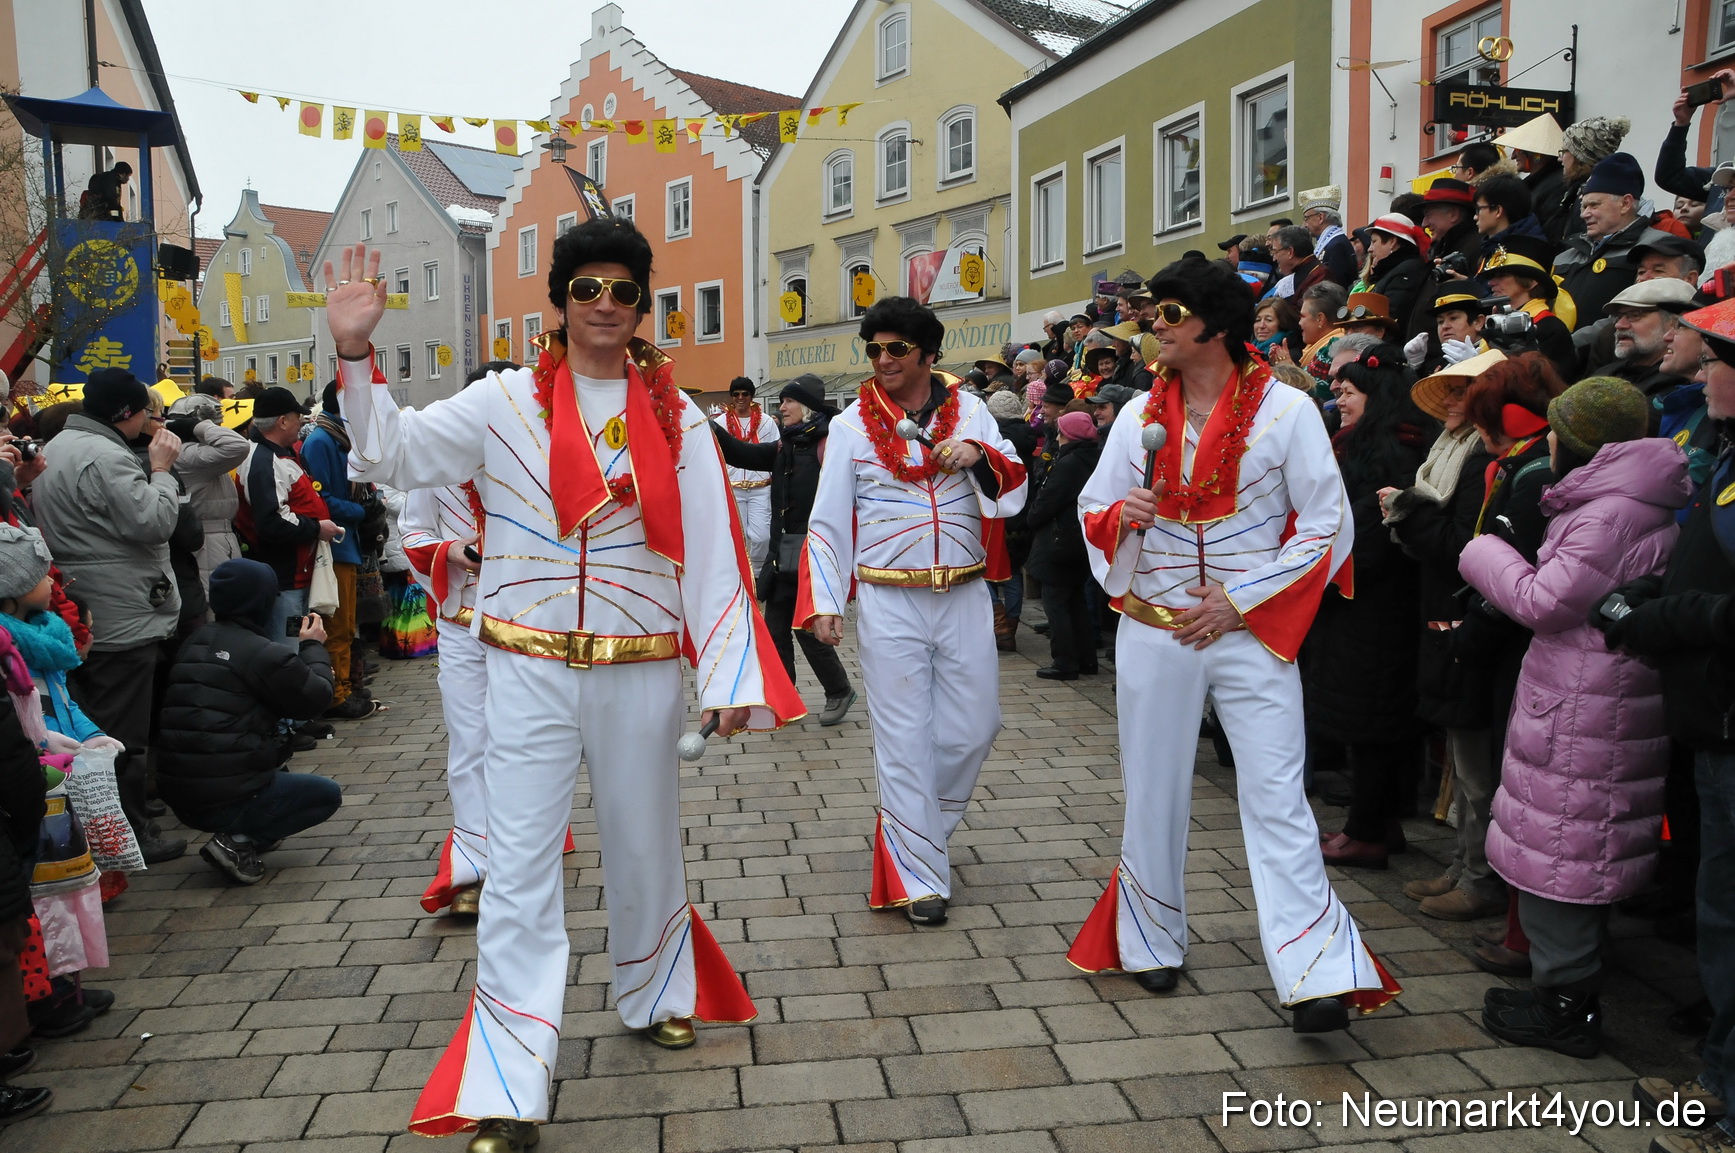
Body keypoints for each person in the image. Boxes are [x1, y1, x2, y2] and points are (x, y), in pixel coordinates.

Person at [331, 220, 799, 1150]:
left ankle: (655, 989)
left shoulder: (676, 415)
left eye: (623, 292)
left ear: (641, 306)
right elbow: (392, 455)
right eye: (587, 289)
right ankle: (510, 1079)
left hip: (640, 664)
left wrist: (727, 668)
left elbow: (715, 549)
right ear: (558, 301)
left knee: (644, 841)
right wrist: (354, 350)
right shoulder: (502, 401)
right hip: (527, 663)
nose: (605, 307)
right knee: (516, 866)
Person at [1069, 256, 1399, 1031]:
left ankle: (1314, 969)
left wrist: (1239, 598)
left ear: (1213, 325)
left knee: (1277, 795)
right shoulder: (1134, 418)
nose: (1155, 326)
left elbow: (1328, 523)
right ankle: (1149, 940)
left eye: (1170, 314)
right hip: (1154, 628)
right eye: (1155, 313)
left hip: (1249, 633)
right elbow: (1093, 505)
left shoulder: (1286, 412)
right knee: (1151, 785)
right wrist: (1125, 515)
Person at [1460, 377, 1688, 1058]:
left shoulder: (1604, 513)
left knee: (1565, 848)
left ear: (1584, 442)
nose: (1547, 439)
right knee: (1575, 842)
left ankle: (1565, 1004)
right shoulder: (1627, 501)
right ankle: (1558, 990)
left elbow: (1544, 602)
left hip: (1587, 700)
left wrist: (1483, 552)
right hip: (1595, 694)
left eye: (1557, 429)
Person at [799, 295, 1027, 927]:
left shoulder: (972, 410)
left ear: (929, 354)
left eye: (897, 348)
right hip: (887, 598)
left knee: (975, 728)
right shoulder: (850, 427)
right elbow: (827, 523)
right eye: (874, 349)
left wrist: (981, 457)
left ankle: (919, 828)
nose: (883, 359)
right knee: (902, 739)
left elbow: (1012, 492)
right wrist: (824, 601)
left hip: (964, 594)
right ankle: (919, 877)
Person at [1596, 293, 1735, 1153]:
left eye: (1719, 357)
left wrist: (1659, 617)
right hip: (1712, 723)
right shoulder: (1723, 452)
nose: (1707, 368)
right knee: (1720, 914)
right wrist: (1654, 595)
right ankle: (1719, 1079)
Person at [31, 368, 186, 863]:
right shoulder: (104, 455)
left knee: (99, 720)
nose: (150, 419)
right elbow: (153, 520)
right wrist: (160, 470)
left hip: (90, 599)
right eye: (145, 410)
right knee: (122, 734)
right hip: (122, 609)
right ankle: (128, 835)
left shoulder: (60, 445)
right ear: (126, 413)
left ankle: (123, 823)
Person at [1384, 350, 1507, 920]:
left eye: (1464, 393)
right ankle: (1464, 865)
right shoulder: (1449, 450)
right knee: (1463, 752)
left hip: (1465, 612)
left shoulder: (1485, 457)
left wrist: (1408, 512)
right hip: (1441, 606)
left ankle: (1480, 877)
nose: (1453, 404)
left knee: (1478, 761)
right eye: (1449, 393)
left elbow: (1463, 544)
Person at [398, 360, 517, 918]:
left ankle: (528, 838)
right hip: (461, 617)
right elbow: (413, 532)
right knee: (469, 739)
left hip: (529, 625)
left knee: (523, 738)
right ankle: (474, 867)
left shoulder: (536, 457)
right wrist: (452, 551)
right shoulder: (435, 458)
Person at [1311, 345, 1435, 869]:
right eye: (1336, 389)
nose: (1338, 397)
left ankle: (1367, 831)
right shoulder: (1362, 443)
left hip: (1378, 603)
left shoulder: (1394, 449)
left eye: (1350, 390)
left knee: (1373, 719)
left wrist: (1330, 569)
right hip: (1360, 599)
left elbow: (1377, 531)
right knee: (1367, 716)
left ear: (1377, 396)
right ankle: (1378, 824)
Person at [156, 558, 344, 886]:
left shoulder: (194, 641)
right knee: (325, 794)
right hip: (222, 796)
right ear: (264, 600)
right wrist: (313, 647)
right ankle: (237, 842)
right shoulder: (263, 652)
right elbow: (317, 698)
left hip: (178, 793)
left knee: (274, 760)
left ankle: (247, 830)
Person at [710, 374, 856, 725]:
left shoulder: (829, 444)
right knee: (776, 626)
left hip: (810, 549)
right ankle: (784, 697)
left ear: (806, 406)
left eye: (789, 401)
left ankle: (838, 689)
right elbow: (743, 454)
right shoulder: (787, 444)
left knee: (802, 624)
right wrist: (711, 431)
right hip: (784, 547)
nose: (783, 407)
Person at [234, 387, 343, 655]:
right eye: (297, 417)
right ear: (282, 421)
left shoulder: (279, 454)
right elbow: (270, 522)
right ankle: (288, 694)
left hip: (296, 574)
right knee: (287, 647)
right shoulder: (264, 460)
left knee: (297, 641)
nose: (302, 422)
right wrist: (318, 528)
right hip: (285, 578)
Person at [301, 383, 379, 719]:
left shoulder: (339, 437)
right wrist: (362, 510)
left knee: (347, 624)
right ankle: (336, 695)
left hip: (347, 541)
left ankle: (347, 685)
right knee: (337, 625)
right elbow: (321, 501)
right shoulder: (322, 440)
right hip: (333, 544)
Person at [1554, 152, 1676, 326]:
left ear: (1625, 204)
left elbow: (1640, 313)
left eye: (1593, 205)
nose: (1584, 214)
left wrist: (1572, 343)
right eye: (1583, 206)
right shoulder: (1565, 256)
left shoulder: (1656, 248)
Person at [1026, 410, 1101, 680]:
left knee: (1056, 602)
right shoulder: (1093, 458)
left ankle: (1065, 662)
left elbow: (1048, 501)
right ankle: (1086, 659)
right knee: (1076, 600)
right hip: (1080, 539)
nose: (1056, 437)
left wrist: (1032, 517)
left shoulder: (1069, 464)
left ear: (1068, 435)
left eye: (1060, 432)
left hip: (1059, 540)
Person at [164, 392, 250, 594]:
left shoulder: (194, 452)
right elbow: (237, 445)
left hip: (215, 539)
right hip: (207, 543)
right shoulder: (189, 454)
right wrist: (200, 426)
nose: (217, 429)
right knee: (216, 604)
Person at [1592, 279, 1696, 430]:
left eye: (1634, 315)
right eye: (1618, 317)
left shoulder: (1684, 381)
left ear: (1674, 324)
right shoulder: (1605, 372)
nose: (1619, 325)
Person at [1482, 235, 1579, 382]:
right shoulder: (1497, 321)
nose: (1491, 283)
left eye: (1502, 275)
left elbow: (1550, 386)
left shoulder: (1550, 327)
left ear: (1532, 282)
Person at [984, 388, 1037, 653]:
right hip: (1025, 512)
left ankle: (1000, 625)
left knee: (988, 569)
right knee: (1013, 572)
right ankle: (1011, 626)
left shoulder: (999, 440)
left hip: (1000, 515)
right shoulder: (1031, 436)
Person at [721, 377, 778, 574]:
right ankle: (738, 574)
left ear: (751, 397)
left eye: (745, 394)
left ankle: (757, 573)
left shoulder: (767, 422)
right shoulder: (720, 422)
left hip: (760, 487)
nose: (740, 398)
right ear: (731, 397)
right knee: (736, 535)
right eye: (736, 394)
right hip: (732, 488)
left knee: (761, 536)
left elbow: (777, 452)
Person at [1547, 116, 1631, 243]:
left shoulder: (1587, 196)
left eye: (1564, 151)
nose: (1560, 159)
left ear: (1580, 158)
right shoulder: (1581, 191)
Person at [1299, 186, 1357, 286]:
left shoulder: (1337, 245)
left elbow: (1336, 284)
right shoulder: (1332, 242)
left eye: (1306, 218)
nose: (1304, 224)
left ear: (1320, 217)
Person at [1269, 224, 1328, 301]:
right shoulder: (1302, 272)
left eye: (1276, 252)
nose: (1274, 258)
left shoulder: (1320, 274)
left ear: (1290, 252)